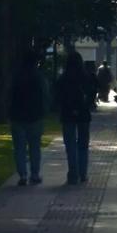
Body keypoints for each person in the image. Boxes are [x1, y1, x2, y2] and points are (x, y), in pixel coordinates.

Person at [9, 49, 47, 186]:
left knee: (19, 147)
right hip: (35, 116)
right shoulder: (38, 76)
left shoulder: (16, 76)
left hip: (17, 116)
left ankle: (22, 174)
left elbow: (9, 95)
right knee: (34, 146)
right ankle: (35, 174)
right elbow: (45, 95)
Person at [56, 51, 92, 184]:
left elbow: (58, 97)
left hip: (67, 114)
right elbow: (91, 95)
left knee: (70, 145)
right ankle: (83, 173)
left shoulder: (63, 78)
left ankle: (73, 173)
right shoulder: (85, 77)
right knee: (83, 145)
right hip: (83, 114)